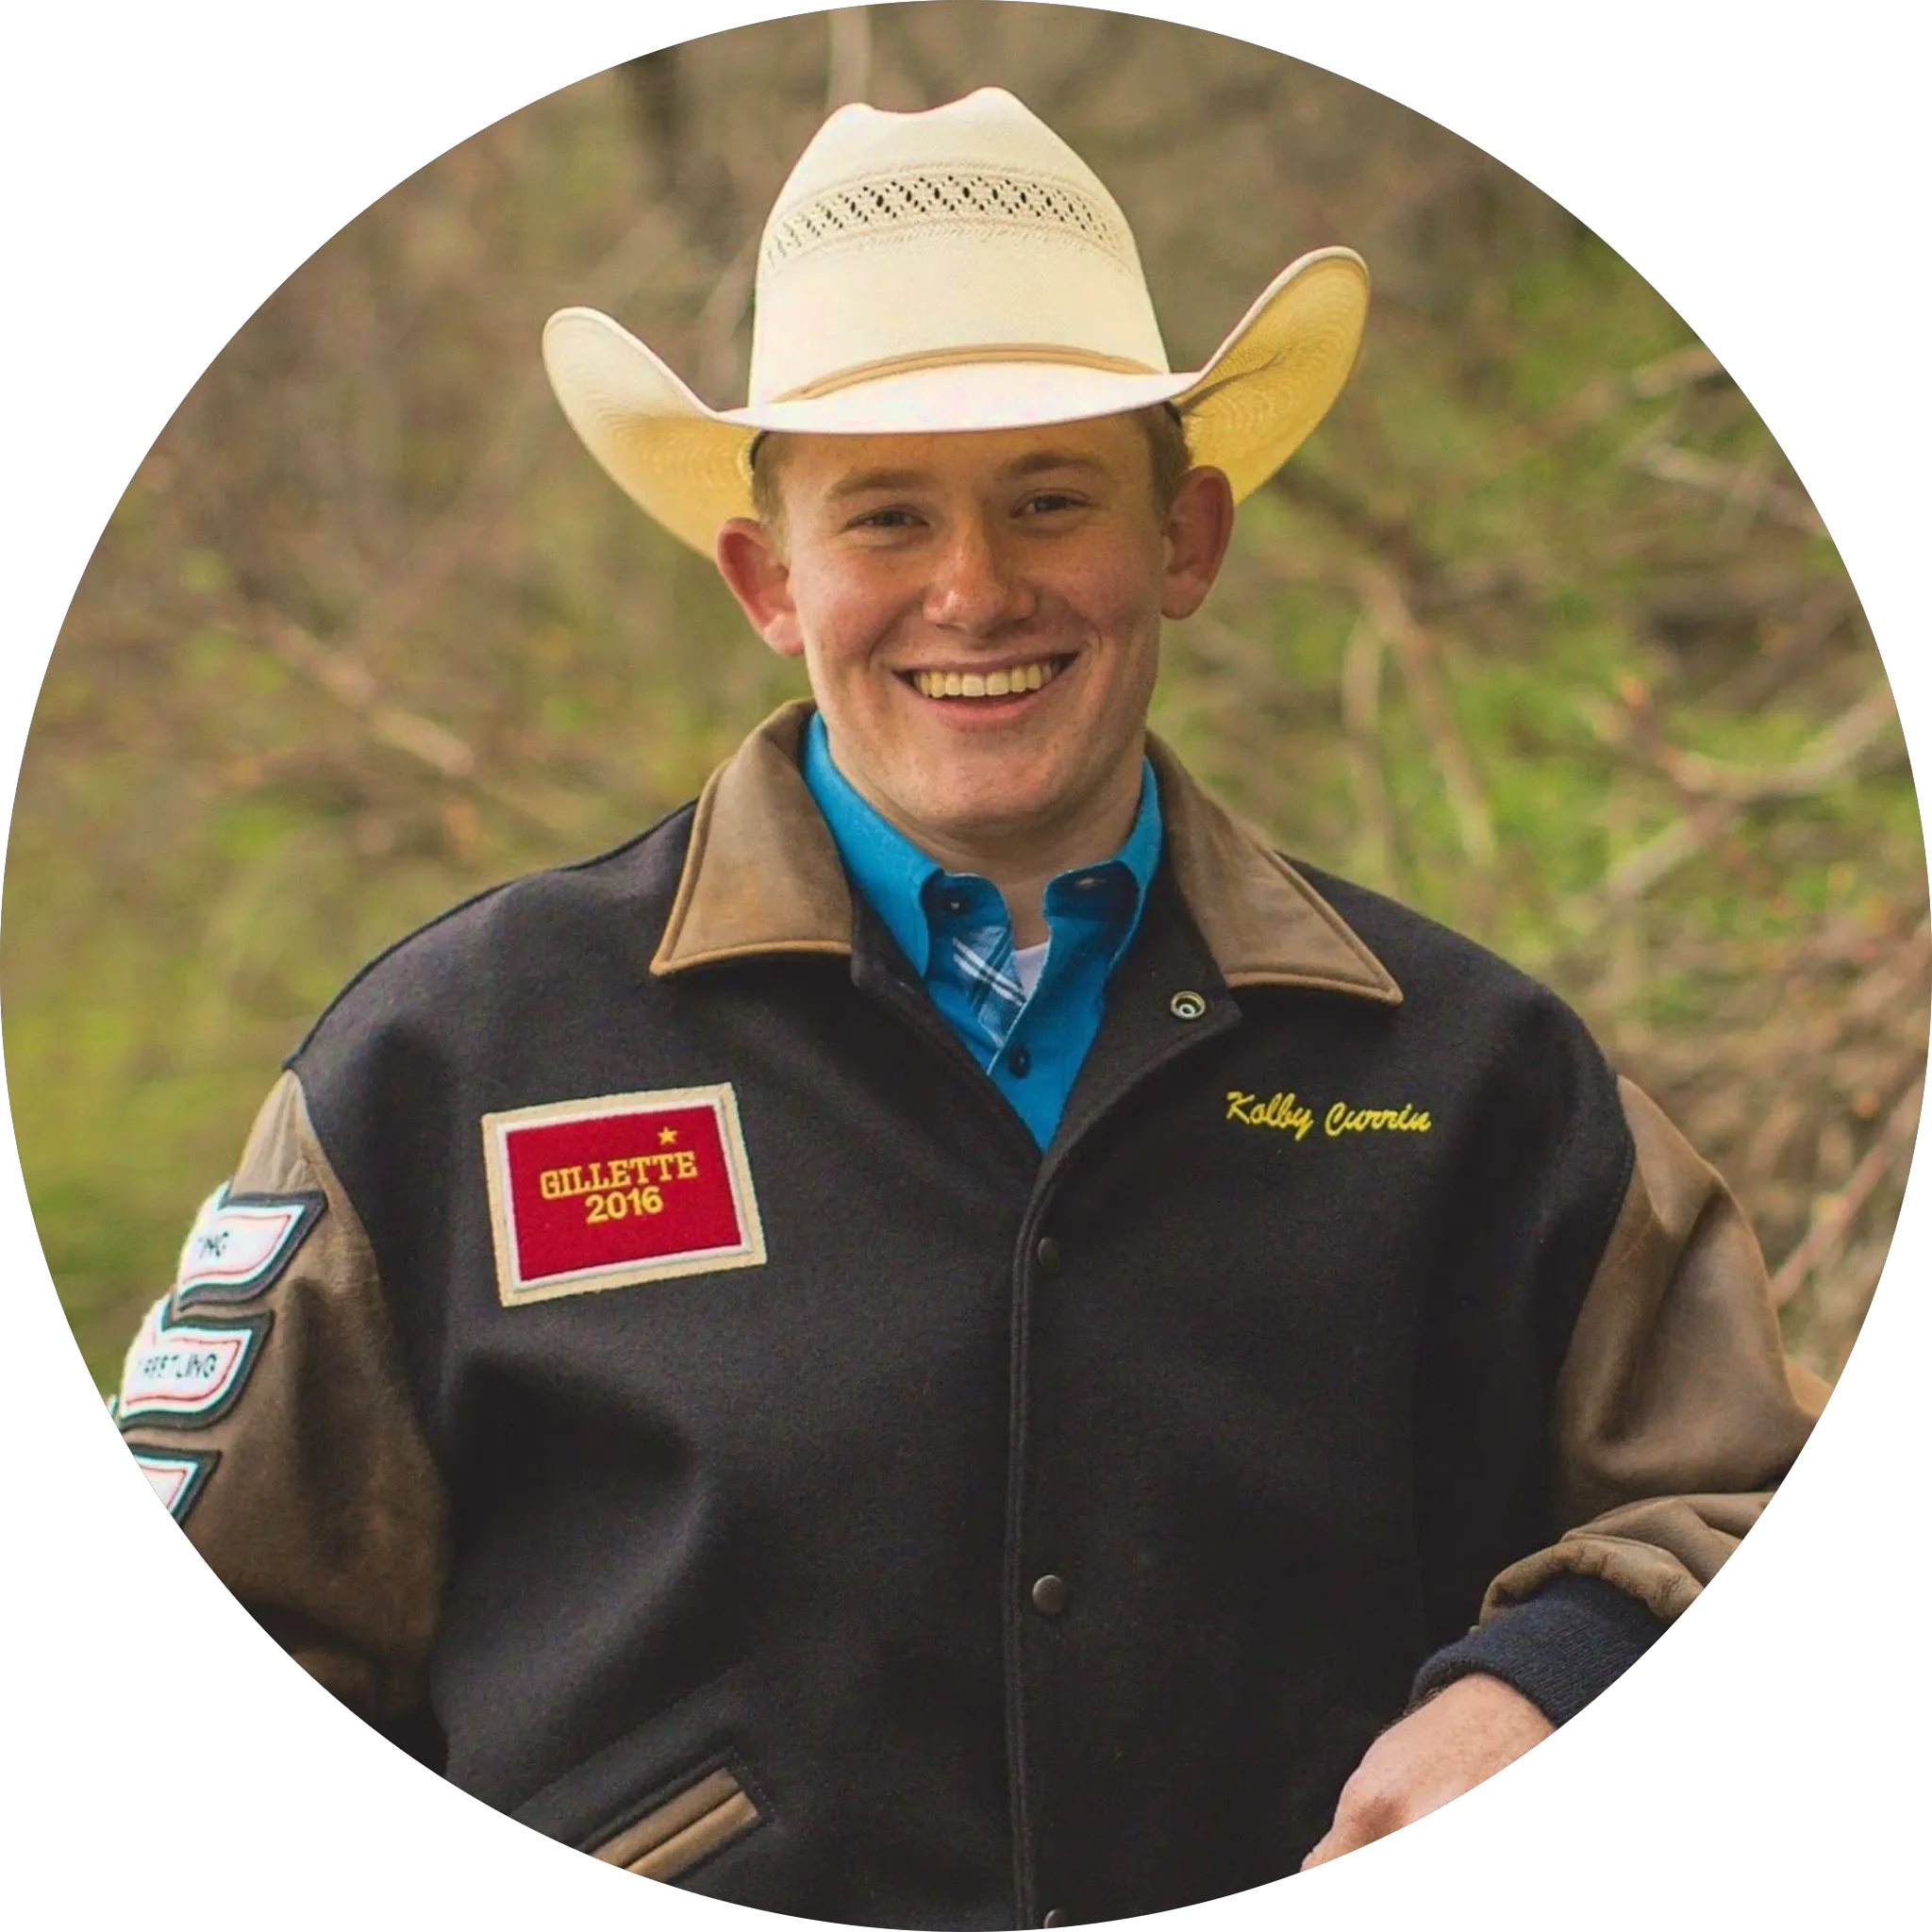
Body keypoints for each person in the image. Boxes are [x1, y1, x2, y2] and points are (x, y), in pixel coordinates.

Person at [112, 88, 1824, 1926]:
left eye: (1048, 499)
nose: (973, 591)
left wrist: (1544, 1681)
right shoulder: (444, 1067)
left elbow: (1728, 1501)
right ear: (770, 582)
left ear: (1186, 541)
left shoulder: (1472, 1074)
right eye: (886, 516)